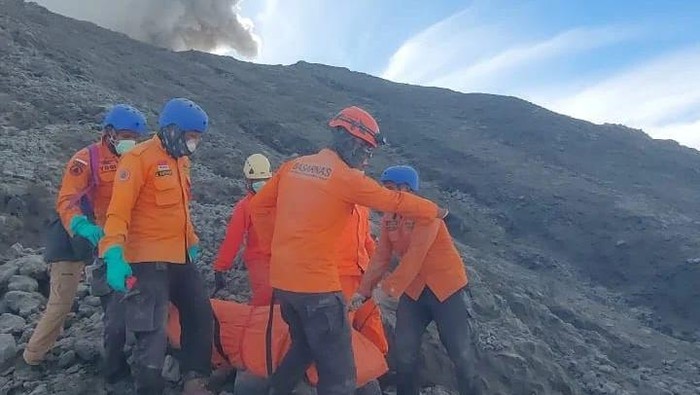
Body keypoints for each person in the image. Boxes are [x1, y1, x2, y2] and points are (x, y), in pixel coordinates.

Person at [249, 105, 450, 395]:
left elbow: (259, 206)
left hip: (284, 284)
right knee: (339, 376)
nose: (368, 157)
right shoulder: (345, 178)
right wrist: (435, 210)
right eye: (367, 149)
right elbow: (393, 201)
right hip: (319, 291)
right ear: (352, 141)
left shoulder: (292, 167)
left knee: (303, 349)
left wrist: (276, 247)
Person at [98, 97, 214, 395]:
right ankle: (148, 386)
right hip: (147, 260)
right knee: (152, 331)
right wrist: (113, 253)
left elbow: (182, 211)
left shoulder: (181, 161)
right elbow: (118, 211)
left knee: (200, 314)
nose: (193, 144)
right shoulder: (137, 159)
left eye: (197, 139)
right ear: (173, 131)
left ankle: (194, 378)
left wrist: (193, 243)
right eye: (191, 137)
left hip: (180, 256)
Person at [23, 104, 148, 372]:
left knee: (120, 291)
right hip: (73, 237)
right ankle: (32, 357)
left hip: (108, 236)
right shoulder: (85, 159)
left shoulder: (132, 159)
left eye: (135, 138)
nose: (130, 142)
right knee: (62, 302)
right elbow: (67, 200)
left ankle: (118, 347)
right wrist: (80, 225)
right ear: (110, 132)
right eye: (126, 135)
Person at [351, 165, 479, 395]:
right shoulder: (389, 218)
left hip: (447, 289)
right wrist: (363, 291)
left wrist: (387, 290)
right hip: (414, 292)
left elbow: (414, 258)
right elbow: (380, 257)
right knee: (404, 351)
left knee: (460, 352)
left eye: (390, 189)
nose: (386, 194)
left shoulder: (427, 214)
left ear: (406, 189)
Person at [212, 153, 273, 305]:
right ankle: (257, 324)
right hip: (259, 258)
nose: (261, 185)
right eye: (257, 181)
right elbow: (233, 239)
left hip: (281, 255)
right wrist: (221, 267)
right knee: (265, 294)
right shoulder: (245, 207)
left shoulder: (280, 198)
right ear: (248, 181)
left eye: (264, 181)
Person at [337, 204, 388, 355]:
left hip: (363, 275)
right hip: (341, 276)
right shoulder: (331, 204)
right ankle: (332, 374)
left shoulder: (362, 207)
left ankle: (378, 362)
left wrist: (378, 268)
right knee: (341, 325)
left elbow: (366, 239)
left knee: (371, 317)